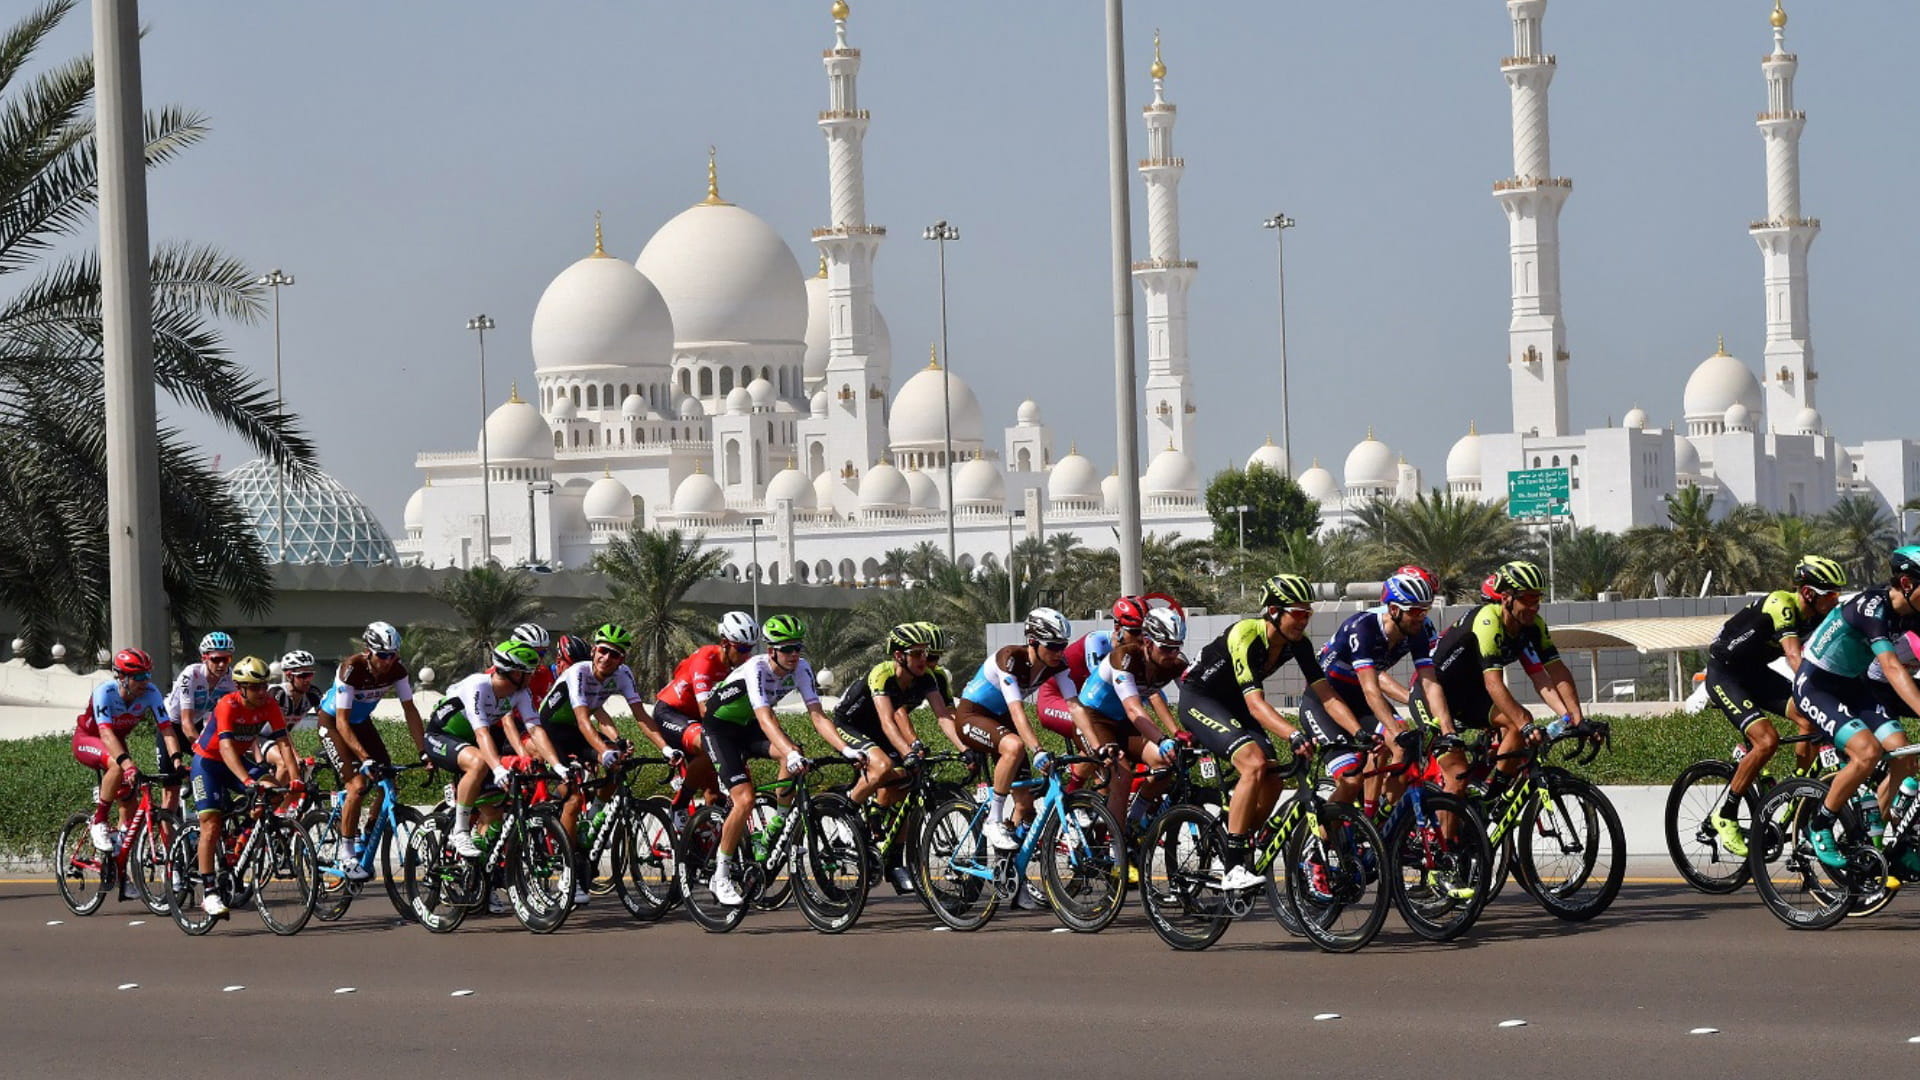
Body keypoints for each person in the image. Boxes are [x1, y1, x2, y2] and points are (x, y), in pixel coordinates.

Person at [1175, 574, 1338, 891]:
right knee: (1253, 763)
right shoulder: (1246, 634)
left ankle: (1242, 840)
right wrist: (1292, 734)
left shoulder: (1297, 644)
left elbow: (1325, 694)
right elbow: (1255, 705)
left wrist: (1352, 732)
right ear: (1275, 611)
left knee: (1275, 777)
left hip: (1234, 705)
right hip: (1201, 699)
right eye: (1299, 613)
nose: (1304, 619)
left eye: (1308, 613)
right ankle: (1233, 866)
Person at [1702, 555, 1848, 856]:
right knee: (1767, 741)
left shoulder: (1821, 614)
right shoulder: (1782, 604)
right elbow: (1795, 658)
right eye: (1831, 594)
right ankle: (1725, 815)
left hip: (1755, 674)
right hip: (1725, 674)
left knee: (1811, 719)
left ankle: (1795, 788)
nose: (1836, 599)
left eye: (1838, 593)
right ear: (1808, 593)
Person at [526, 624, 677, 901]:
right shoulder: (578, 673)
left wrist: (666, 748)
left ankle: (594, 814)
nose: (607, 658)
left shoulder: (623, 675)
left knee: (617, 764)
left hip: (576, 732)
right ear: (594, 650)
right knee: (572, 797)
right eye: (603, 651)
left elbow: (641, 716)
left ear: (623, 660)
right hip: (552, 733)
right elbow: (585, 720)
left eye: (615, 654)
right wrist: (602, 751)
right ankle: (569, 874)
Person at [1794, 547, 1920, 867]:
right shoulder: (1872, 608)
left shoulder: (1911, 610)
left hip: (1853, 686)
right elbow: (1892, 668)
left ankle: (1876, 840)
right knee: (1866, 752)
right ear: (1906, 583)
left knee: (1903, 752)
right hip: (1816, 684)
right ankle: (1819, 826)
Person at [1419, 560, 1585, 799]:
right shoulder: (1488, 621)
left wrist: (1575, 717)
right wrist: (1525, 724)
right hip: (1434, 692)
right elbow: (1493, 683)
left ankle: (1492, 798)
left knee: (1517, 723)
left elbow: (1551, 673)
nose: (1534, 607)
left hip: (1470, 694)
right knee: (1458, 776)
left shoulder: (1532, 626)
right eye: (1528, 599)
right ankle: (1449, 836)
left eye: (1537, 599)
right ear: (1506, 597)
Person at [699, 615, 820, 907]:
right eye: (787, 648)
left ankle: (776, 824)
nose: (794, 654)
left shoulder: (801, 668)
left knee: (795, 750)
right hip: (720, 731)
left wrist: (846, 750)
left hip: (748, 727)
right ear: (772, 651)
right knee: (744, 800)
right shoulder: (755, 668)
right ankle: (721, 874)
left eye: (798, 648)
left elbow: (818, 715)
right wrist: (788, 752)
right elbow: (766, 718)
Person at [830, 622, 957, 892]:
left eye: (927, 654)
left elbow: (944, 717)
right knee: (885, 765)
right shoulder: (882, 674)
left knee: (911, 781)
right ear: (900, 656)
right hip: (851, 726)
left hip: (880, 731)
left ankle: (894, 860)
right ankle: (844, 814)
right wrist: (909, 751)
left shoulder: (927, 678)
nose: (925, 660)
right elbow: (889, 721)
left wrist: (965, 748)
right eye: (918, 654)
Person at [1306, 570, 1438, 812]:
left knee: (1403, 745)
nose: (1422, 618)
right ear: (1395, 610)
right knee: (1351, 779)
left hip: (1358, 698)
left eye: (1426, 610)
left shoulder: (1418, 628)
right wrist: (1393, 727)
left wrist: (1440, 719)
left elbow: (1430, 682)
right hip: (1325, 700)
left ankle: (1379, 815)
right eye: (1417, 611)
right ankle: (1326, 837)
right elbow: (1371, 688)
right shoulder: (1364, 627)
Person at [955, 607, 1076, 853]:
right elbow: (1017, 710)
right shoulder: (1010, 658)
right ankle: (993, 820)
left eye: (1063, 645)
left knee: (1025, 806)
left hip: (1001, 721)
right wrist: (1037, 749)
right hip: (972, 715)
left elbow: (1075, 707)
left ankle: (1008, 874)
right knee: (1015, 745)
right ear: (1032, 641)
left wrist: (1097, 744)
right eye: (1052, 646)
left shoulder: (1057, 664)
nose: (1059, 652)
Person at [1070, 607, 1189, 844]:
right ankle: (1117, 849)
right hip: (1094, 719)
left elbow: (1197, 696)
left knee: (1165, 765)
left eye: (1177, 647)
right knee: (1122, 773)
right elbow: (1134, 709)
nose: (1172, 653)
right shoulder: (1124, 658)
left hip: (1122, 723)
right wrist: (1162, 739)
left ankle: (1133, 821)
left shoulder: (1176, 662)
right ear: (1147, 642)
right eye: (1166, 647)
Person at [189, 657, 297, 918]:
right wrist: (247, 782)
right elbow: (225, 748)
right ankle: (210, 892)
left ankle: (244, 830)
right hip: (209, 763)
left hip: (236, 761)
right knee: (211, 824)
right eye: (255, 687)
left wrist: (296, 778)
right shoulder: (227, 705)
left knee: (271, 789)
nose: (262, 692)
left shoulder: (270, 704)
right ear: (241, 687)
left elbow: (284, 743)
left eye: (264, 685)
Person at [318, 622, 428, 874]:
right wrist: (365, 758)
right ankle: (347, 852)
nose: (388, 661)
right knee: (357, 785)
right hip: (334, 723)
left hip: (361, 722)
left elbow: (410, 710)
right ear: (369, 651)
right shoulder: (351, 669)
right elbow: (342, 722)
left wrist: (423, 750)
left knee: (388, 779)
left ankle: (368, 832)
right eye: (383, 655)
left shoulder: (397, 671)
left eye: (393, 655)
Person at [421, 641, 544, 859]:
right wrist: (497, 768)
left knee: (494, 810)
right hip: (441, 736)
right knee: (478, 762)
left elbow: (535, 730)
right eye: (528, 673)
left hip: (470, 741)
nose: (532, 677)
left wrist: (557, 764)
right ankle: (460, 831)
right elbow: (482, 734)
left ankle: (479, 879)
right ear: (513, 672)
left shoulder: (520, 693)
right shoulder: (478, 686)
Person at [651, 612, 761, 821]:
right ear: (725, 643)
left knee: (714, 795)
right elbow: (705, 709)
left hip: (699, 721)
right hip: (672, 712)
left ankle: (706, 841)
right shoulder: (706, 658)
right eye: (743, 649)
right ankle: (679, 805)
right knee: (707, 744)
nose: (747, 656)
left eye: (751, 649)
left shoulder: (738, 668)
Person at [72, 649, 168, 862]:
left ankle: (120, 865)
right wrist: (128, 764)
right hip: (88, 739)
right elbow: (105, 733)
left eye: (148, 675)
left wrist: (178, 759)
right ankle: (99, 820)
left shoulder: (151, 693)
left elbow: (167, 729)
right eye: (139, 677)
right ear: (122, 677)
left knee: (130, 802)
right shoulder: (104, 692)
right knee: (118, 765)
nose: (145, 681)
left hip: (116, 744)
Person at [1034, 597, 1148, 755]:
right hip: (1055, 698)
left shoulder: (1136, 652)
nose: (1141, 638)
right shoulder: (1097, 641)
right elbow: (1099, 683)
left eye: (1145, 633)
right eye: (1135, 632)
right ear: (1117, 627)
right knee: (1094, 731)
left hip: (1082, 701)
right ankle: (1082, 777)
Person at [162, 632, 236, 808]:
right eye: (216, 659)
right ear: (205, 658)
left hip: (195, 724)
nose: (221, 664)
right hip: (171, 727)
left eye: (226, 659)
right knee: (171, 792)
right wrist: (205, 751)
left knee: (216, 768)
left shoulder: (230, 679)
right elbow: (186, 723)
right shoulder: (191, 675)